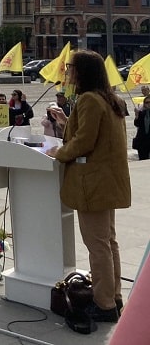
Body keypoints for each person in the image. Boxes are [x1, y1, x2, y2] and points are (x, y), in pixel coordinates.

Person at [49, 49, 131, 326]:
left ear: (82, 72)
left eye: (71, 67)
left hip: (92, 184)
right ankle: (114, 296)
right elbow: (92, 134)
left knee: (97, 246)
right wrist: (65, 123)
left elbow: (84, 142)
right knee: (108, 242)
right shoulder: (112, 99)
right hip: (107, 182)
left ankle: (104, 304)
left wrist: (58, 152)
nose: (68, 72)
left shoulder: (88, 99)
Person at [133, 86, 150, 160]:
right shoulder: (142, 113)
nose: (149, 104)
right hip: (142, 141)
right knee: (143, 159)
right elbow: (137, 124)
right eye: (147, 103)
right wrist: (137, 116)